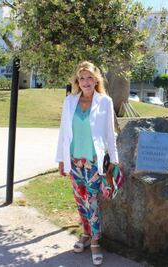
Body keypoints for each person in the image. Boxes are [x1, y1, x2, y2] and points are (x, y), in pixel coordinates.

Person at [56, 61, 118, 266]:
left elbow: (110, 133)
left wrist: (114, 161)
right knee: (80, 201)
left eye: (89, 77)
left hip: (93, 163)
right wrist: (62, 160)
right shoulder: (70, 101)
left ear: (96, 80)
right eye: (81, 78)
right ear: (77, 81)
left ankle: (95, 242)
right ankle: (85, 234)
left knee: (91, 202)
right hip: (74, 161)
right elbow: (63, 133)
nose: (85, 82)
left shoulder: (105, 102)